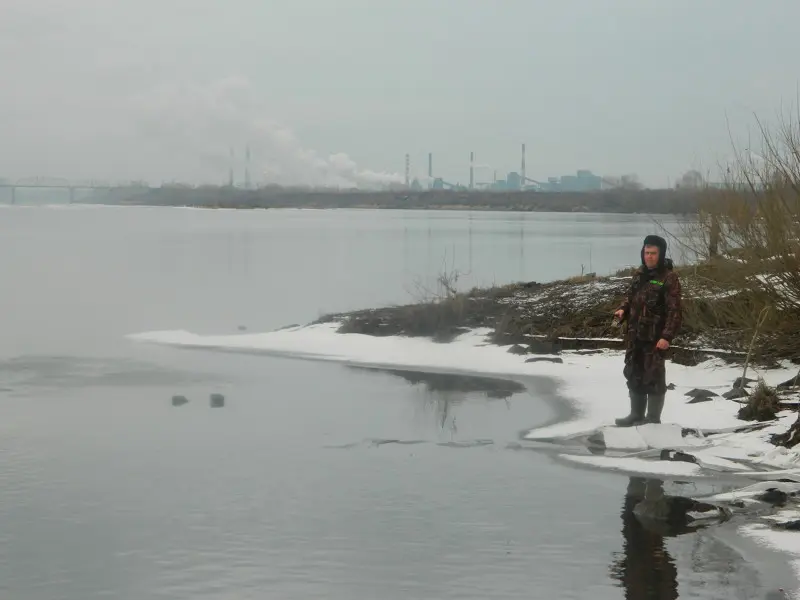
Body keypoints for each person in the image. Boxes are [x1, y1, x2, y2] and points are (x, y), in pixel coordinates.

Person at [613, 235, 682, 426]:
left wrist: (667, 336)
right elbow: (631, 299)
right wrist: (622, 310)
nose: (649, 257)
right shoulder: (639, 275)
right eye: (646, 253)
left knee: (654, 377)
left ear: (660, 255)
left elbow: (674, 311)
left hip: (655, 338)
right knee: (633, 373)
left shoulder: (669, 278)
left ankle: (652, 419)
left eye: (653, 253)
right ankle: (636, 415)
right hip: (635, 336)